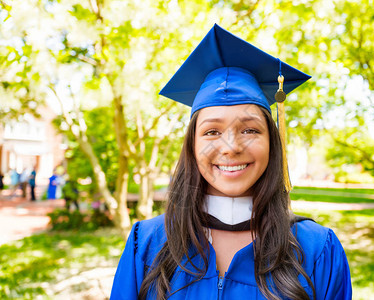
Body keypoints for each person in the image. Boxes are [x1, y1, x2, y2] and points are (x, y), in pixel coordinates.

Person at [111, 24, 352, 300]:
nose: (231, 147)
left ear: (273, 143)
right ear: (192, 145)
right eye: (211, 132)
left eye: (250, 130)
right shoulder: (148, 244)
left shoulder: (318, 249)